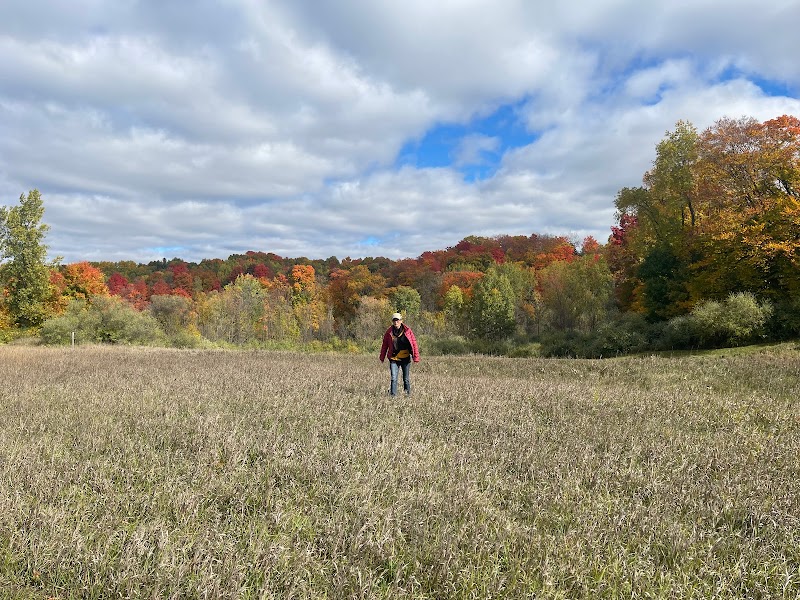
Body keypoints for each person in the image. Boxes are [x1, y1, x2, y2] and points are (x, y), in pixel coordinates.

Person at [379, 312, 420, 396]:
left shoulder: (408, 331)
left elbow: (414, 343)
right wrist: (382, 357)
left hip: (405, 358)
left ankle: (407, 395)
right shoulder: (389, 332)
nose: (396, 322)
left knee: (406, 379)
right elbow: (384, 345)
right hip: (394, 358)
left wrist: (416, 357)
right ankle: (393, 396)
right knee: (394, 378)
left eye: (397, 320)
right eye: (394, 320)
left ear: (401, 321)